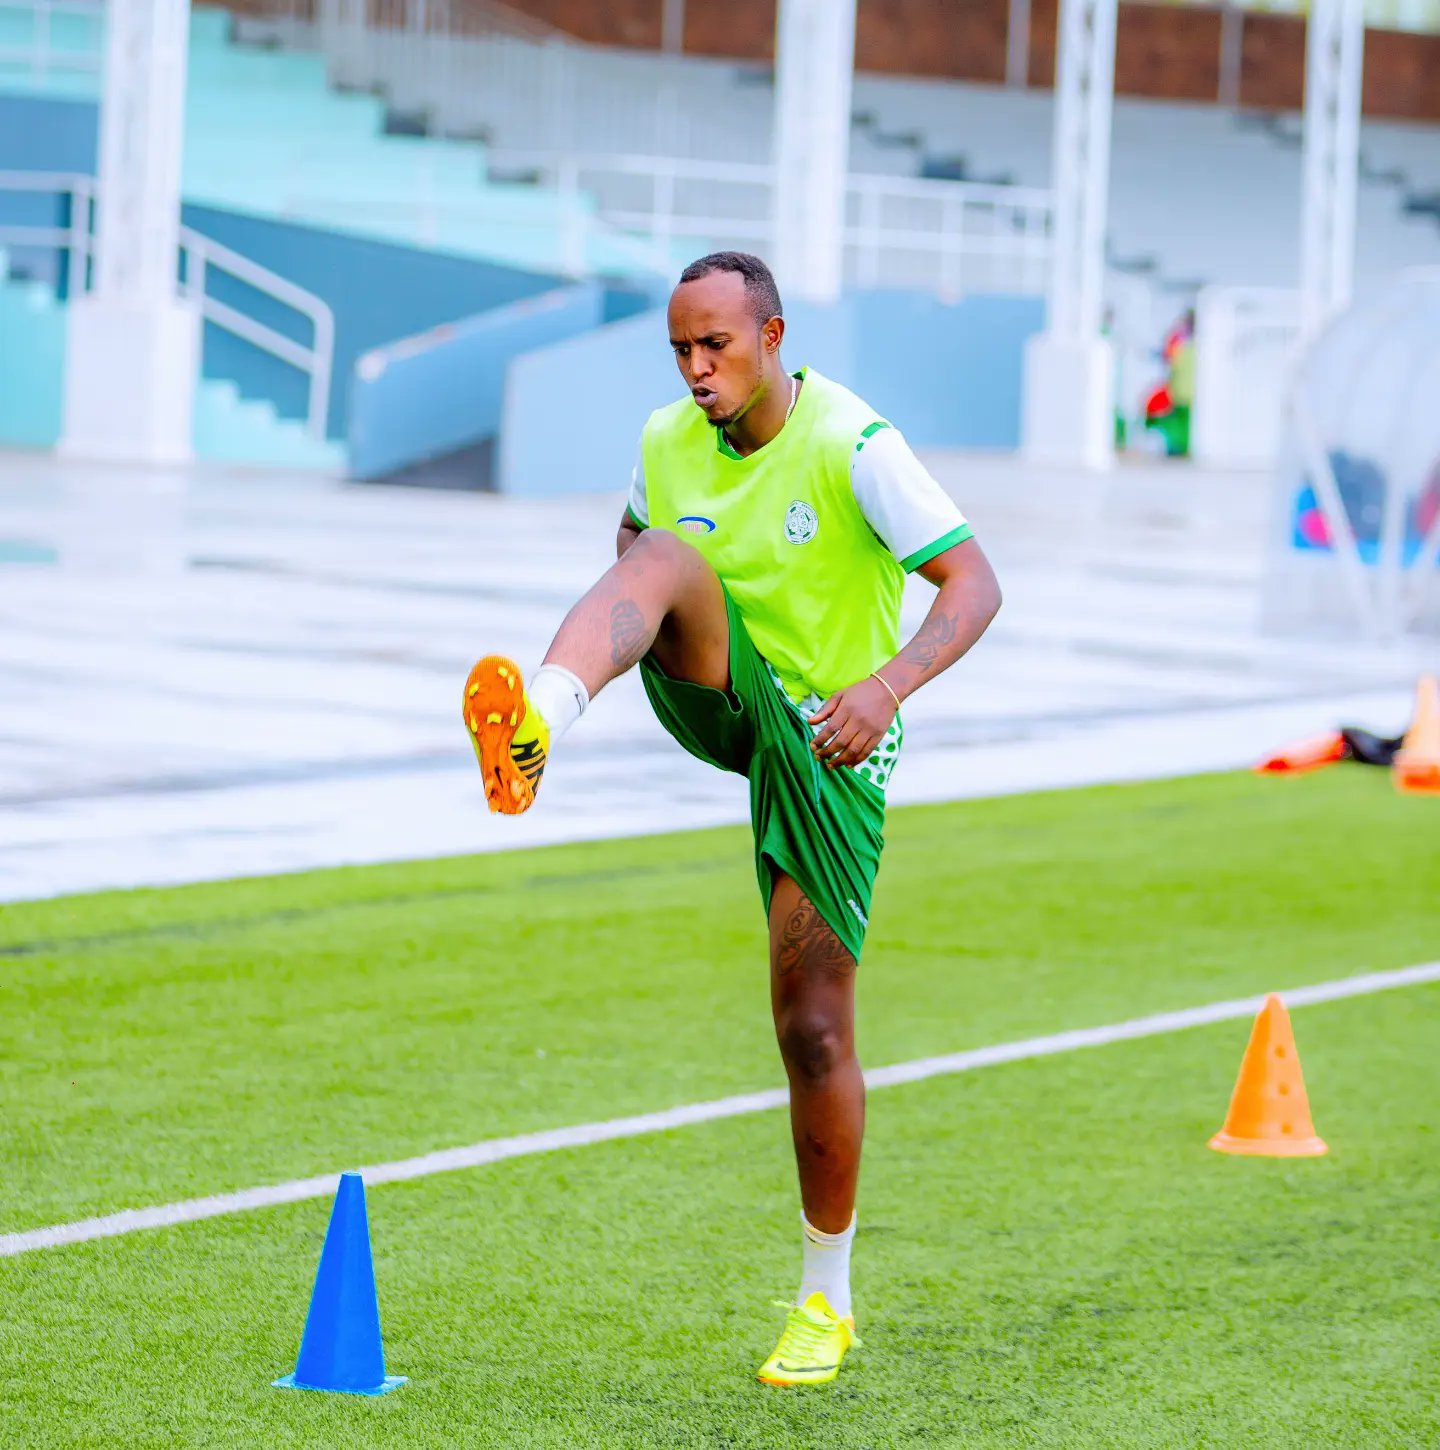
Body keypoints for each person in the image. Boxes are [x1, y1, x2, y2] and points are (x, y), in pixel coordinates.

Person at [462, 251, 1001, 1387]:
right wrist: (671, 623)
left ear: (772, 336)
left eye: (715, 345)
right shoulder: (666, 440)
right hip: (719, 690)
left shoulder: (854, 442)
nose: (697, 369)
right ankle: (537, 724)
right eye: (680, 350)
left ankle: (825, 1300)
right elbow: (634, 550)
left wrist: (886, 687)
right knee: (664, 550)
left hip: (832, 741)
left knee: (812, 1028)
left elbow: (975, 585)